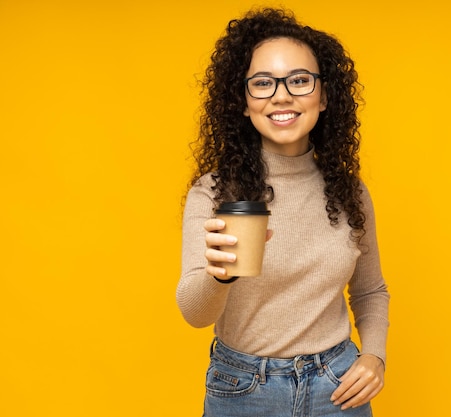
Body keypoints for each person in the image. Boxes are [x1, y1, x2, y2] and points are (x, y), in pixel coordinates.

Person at [176, 7, 390, 417]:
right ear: (242, 101)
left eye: (299, 80)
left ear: (323, 95)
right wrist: (221, 275)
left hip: (337, 387)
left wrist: (374, 357)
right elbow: (193, 313)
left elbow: (370, 291)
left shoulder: (349, 192)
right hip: (242, 389)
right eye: (262, 83)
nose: (281, 95)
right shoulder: (214, 193)